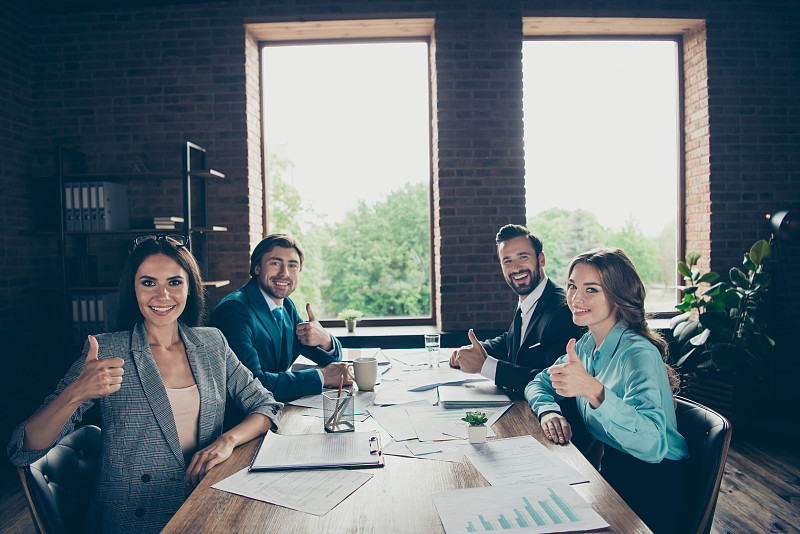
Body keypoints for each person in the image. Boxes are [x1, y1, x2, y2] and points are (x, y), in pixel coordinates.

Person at [7, 235, 282, 534]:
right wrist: (76, 393)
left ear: (189, 287)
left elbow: (265, 405)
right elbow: (23, 449)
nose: (163, 295)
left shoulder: (212, 342)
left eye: (174, 282)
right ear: (133, 289)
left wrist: (226, 442)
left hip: (204, 502)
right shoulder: (106, 350)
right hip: (133, 519)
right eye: (148, 282)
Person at [525, 247, 689, 534]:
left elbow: (652, 446)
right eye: (573, 287)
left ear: (617, 296)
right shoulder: (587, 346)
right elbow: (538, 383)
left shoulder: (638, 354)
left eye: (591, 290)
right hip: (611, 474)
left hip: (654, 487)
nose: (576, 298)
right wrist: (548, 410)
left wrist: (593, 390)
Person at [210, 234, 350, 403]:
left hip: (275, 409)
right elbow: (252, 385)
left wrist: (324, 339)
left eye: (292, 266)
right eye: (275, 263)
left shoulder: (287, 307)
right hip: (242, 419)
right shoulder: (234, 311)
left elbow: (332, 361)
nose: (284, 273)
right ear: (257, 268)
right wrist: (321, 377)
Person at [449, 224, 582, 396]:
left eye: (523, 257)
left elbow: (555, 380)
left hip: (549, 417)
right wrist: (473, 351)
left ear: (541, 259)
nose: (516, 268)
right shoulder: (528, 299)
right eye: (507, 261)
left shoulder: (563, 310)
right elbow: (511, 342)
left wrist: (485, 367)